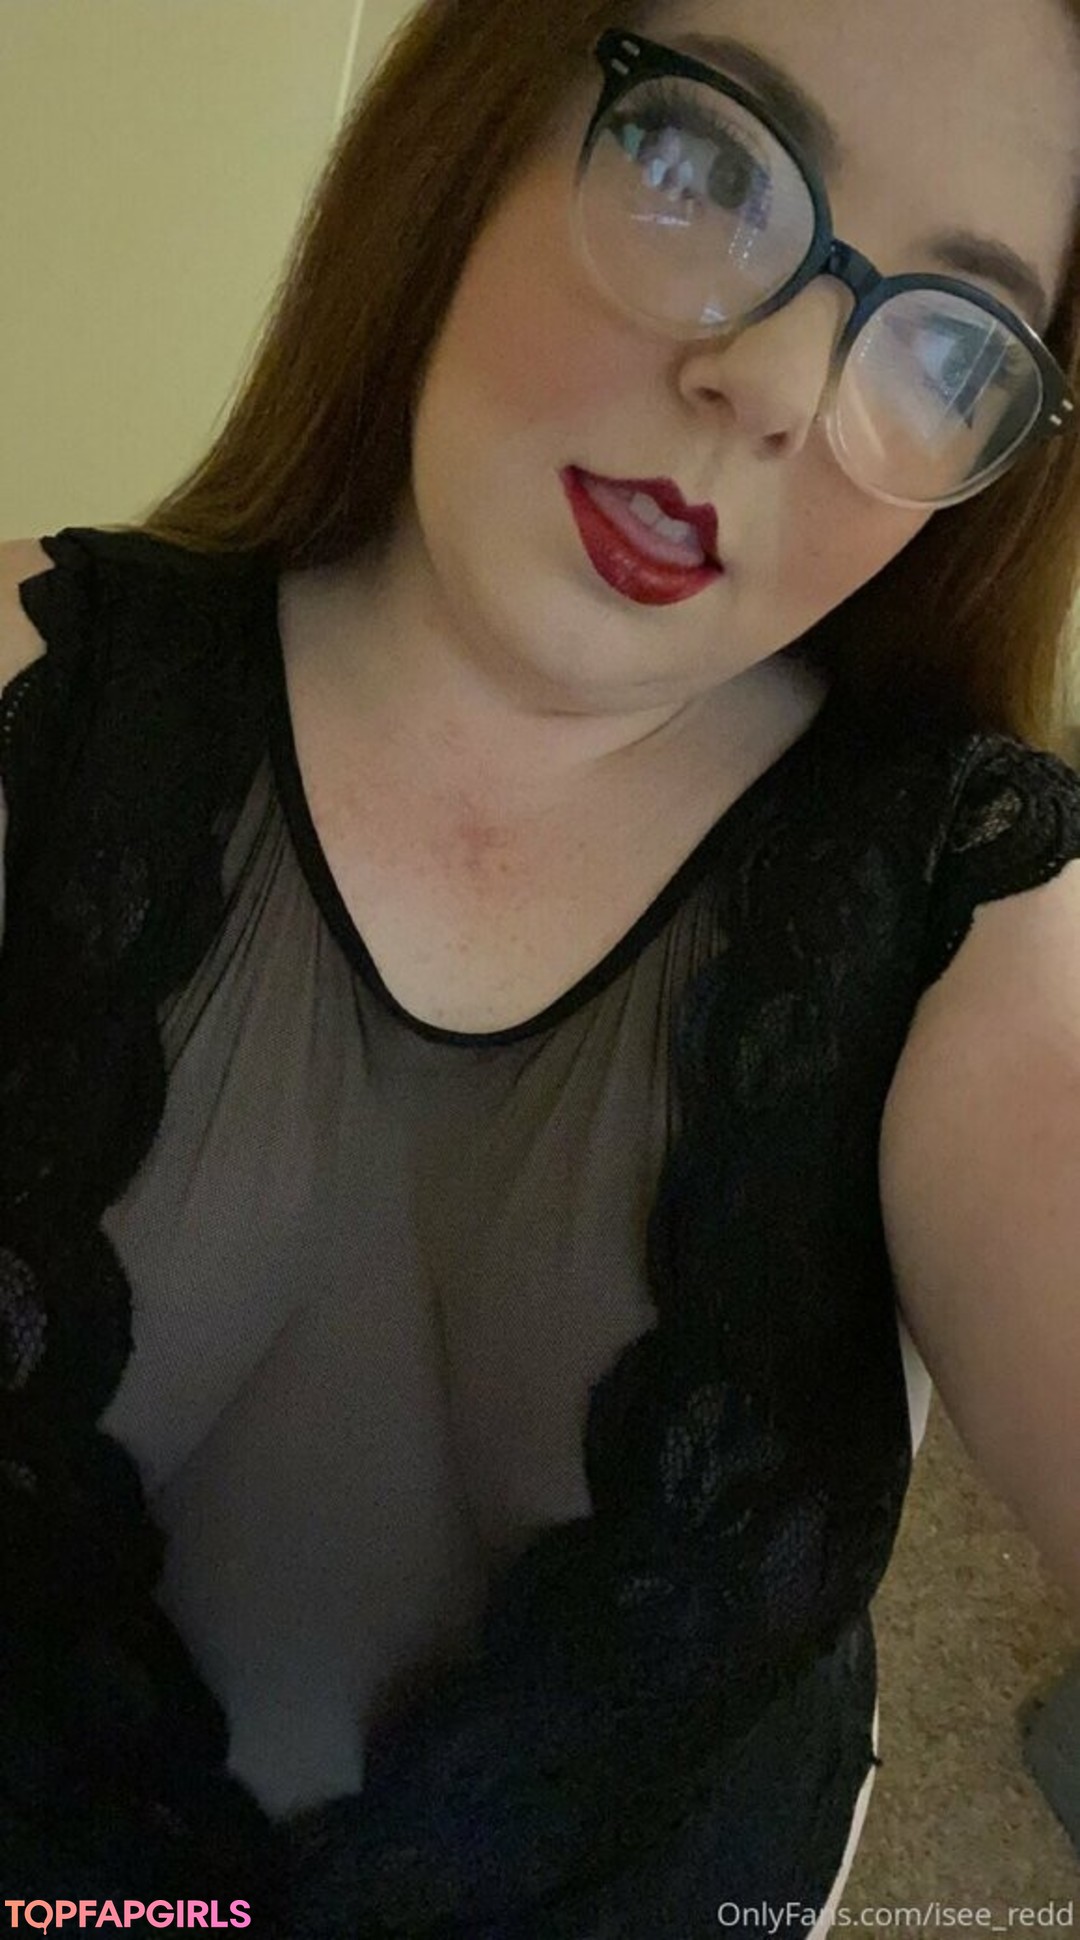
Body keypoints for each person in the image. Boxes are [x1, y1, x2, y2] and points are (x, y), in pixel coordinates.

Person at [2, 0, 1080, 1932]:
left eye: (948, 342)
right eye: (711, 164)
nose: (774, 385)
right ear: (481, 123)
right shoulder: (41, 691)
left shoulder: (972, 894)